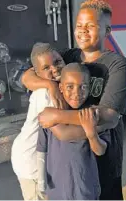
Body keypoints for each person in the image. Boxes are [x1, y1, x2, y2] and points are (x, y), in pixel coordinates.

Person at [22, 0, 126, 199]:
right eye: (79, 25)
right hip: (71, 160)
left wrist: (57, 116)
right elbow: (27, 76)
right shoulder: (69, 57)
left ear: (107, 30)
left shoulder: (117, 65)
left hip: (103, 157)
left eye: (91, 26)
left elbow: (109, 115)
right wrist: (51, 85)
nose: (83, 31)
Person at [36, 63, 110, 200]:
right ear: (61, 88)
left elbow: (100, 150)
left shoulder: (92, 113)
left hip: (85, 189)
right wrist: (41, 181)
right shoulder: (51, 116)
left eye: (83, 87)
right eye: (70, 87)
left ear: (89, 88)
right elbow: (42, 148)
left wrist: (91, 134)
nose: (77, 93)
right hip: (56, 190)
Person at [10, 42, 65, 200]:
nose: (54, 69)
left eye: (58, 62)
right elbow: (61, 130)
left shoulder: (54, 86)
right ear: (37, 72)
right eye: (46, 68)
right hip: (32, 162)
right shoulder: (45, 94)